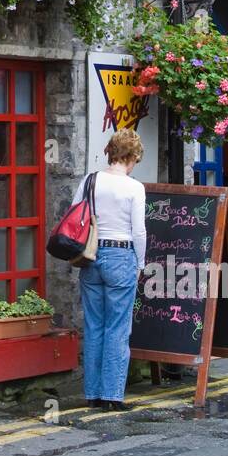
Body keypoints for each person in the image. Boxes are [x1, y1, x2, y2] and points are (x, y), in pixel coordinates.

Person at [73, 128, 147, 411]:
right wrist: (140, 264)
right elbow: (139, 232)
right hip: (121, 254)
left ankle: (91, 393)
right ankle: (112, 396)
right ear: (131, 156)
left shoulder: (90, 181)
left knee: (94, 325)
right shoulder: (133, 187)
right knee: (117, 328)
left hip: (90, 255)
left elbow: (74, 215)